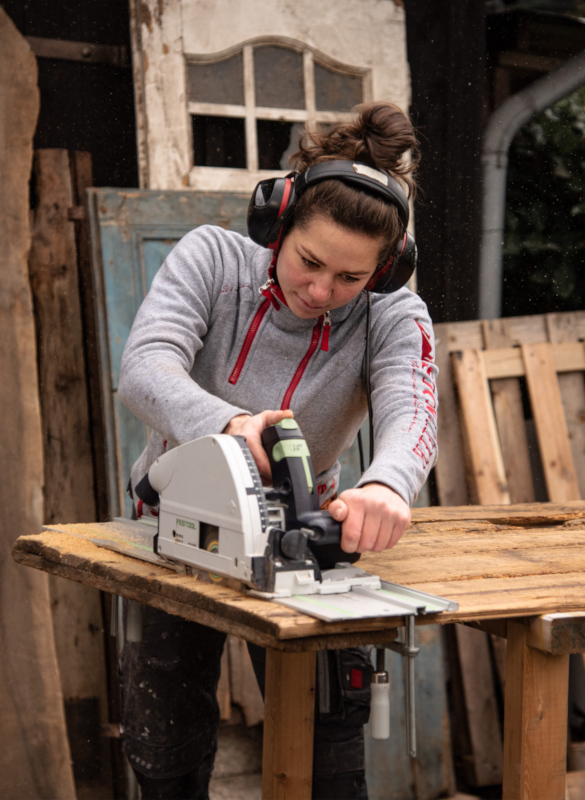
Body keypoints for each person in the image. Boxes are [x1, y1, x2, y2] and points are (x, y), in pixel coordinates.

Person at [117, 101, 438, 800]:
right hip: (174, 521)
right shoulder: (211, 258)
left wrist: (386, 487)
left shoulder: (393, 314)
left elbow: (412, 415)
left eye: (349, 278)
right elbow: (144, 367)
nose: (321, 290)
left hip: (302, 531)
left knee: (328, 735)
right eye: (309, 261)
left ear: (385, 269)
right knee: (164, 726)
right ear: (278, 222)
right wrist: (228, 424)